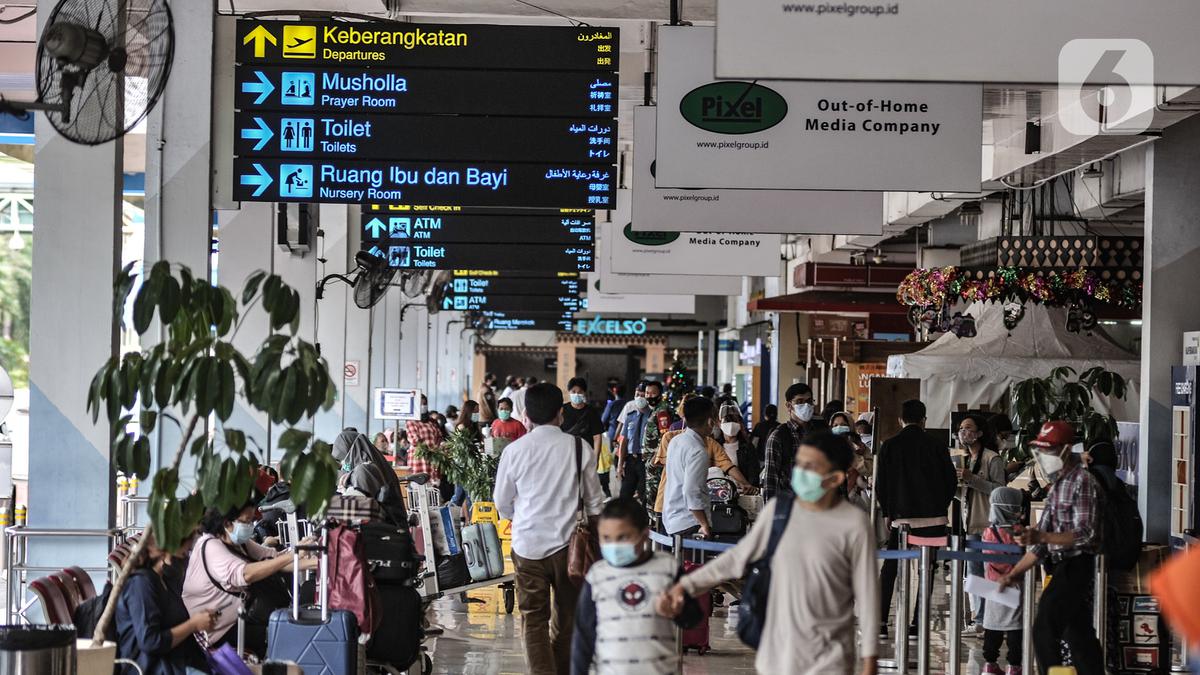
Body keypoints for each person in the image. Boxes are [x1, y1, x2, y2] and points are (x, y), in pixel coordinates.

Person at [659, 431, 879, 674]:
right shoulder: (779, 512)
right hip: (776, 657)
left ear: (835, 478)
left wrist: (870, 661)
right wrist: (684, 586)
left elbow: (868, 596)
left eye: (811, 467)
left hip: (829, 660)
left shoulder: (853, 524)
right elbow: (734, 559)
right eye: (799, 464)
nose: (801, 472)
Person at [493, 383, 605, 675]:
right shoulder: (580, 448)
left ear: (526, 414)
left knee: (533, 620)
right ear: (561, 414)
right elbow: (595, 502)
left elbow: (501, 502)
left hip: (527, 548)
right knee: (567, 620)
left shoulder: (514, 451)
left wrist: (520, 518)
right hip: (572, 549)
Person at [997, 421, 1104, 675]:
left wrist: (1042, 536)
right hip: (1058, 565)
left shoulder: (1082, 482)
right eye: (1041, 451)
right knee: (1079, 637)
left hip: (1077, 564)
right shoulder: (1057, 486)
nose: (1045, 457)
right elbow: (1039, 545)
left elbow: (1086, 533)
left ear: (1067, 450)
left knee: (1044, 628)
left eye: (1050, 450)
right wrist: (1014, 573)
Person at [570, 498, 700, 675]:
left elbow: (693, 618)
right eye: (606, 538)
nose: (614, 545)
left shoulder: (667, 567)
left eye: (623, 537)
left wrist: (679, 610)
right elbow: (583, 635)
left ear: (644, 535)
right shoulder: (597, 575)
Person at [183, 505, 317, 656]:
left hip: (242, 619)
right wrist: (293, 554)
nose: (250, 526)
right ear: (227, 523)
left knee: (287, 629)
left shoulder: (239, 542)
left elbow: (273, 559)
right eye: (246, 522)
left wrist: (319, 563)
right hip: (220, 633)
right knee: (287, 635)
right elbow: (245, 574)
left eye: (251, 521)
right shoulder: (210, 547)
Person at [874, 399, 957, 638]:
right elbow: (950, 480)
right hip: (933, 520)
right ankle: (916, 624)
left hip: (902, 521)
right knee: (927, 570)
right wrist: (940, 506)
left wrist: (888, 512)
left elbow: (882, 484)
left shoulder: (889, 446)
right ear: (924, 420)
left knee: (890, 568)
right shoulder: (937, 445)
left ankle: (880, 622)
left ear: (901, 419)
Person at [117, 530, 215, 674]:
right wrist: (193, 624)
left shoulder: (165, 580)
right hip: (154, 668)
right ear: (167, 550)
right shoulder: (141, 584)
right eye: (184, 553)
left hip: (176, 662)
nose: (186, 559)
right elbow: (150, 641)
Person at [957, 413, 1007, 632]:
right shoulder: (964, 458)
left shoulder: (992, 458)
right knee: (974, 573)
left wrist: (972, 479)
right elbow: (967, 493)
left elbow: (999, 490)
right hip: (969, 522)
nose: (963, 433)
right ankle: (979, 620)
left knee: (989, 573)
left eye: (968, 428)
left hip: (987, 523)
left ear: (979, 433)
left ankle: (990, 620)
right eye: (960, 429)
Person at [981, 487, 1025, 675]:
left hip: (992, 586)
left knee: (992, 625)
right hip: (1014, 584)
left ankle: (990, 664)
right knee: (1016, 626)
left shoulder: (988, 532)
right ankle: (1014, 665)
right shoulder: (1019, 532)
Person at [661, 397, 716, 538]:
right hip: (690, 524)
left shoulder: (676, 441)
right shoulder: (698, 451)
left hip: (672, 519)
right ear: (710, 421)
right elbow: (691, 491)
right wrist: (704, 524)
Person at [762, 382, 816, 501]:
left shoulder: (821, 433)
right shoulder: (779, 437)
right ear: (789, 406)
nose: (806, 405)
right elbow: (771, 480)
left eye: (809, 401)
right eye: (800, 401)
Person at [561, 377, 608, 497]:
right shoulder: (562, 410)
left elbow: (597, 437)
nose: (576, 394)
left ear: (584, 393)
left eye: (580, 392)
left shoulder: (591, 412)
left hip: (585, 456)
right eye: (573, 392)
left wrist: (595, 459)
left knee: (583, 487)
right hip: (565, 455)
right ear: (569, 392)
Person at [617, 382, 655, 504]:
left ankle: (643, 521)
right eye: (637, 394)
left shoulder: (653, 417)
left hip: (645, 460)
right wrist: (620, 464)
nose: (639, 397)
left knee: (644, 494)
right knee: (624, 494)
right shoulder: (630, 416)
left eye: (642, 395)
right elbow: (624, 441)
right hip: (630, 460)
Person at [718, 402, 761, 488]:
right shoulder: (716, 446)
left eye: (734, 420)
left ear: (740, 424)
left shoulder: (747, 448)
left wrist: (749, 488)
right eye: (727, 420)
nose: (731, 424)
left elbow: (754, 475)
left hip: (743, 493)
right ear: (719, 423)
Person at [405, 395, 445, 483]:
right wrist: (431, 449)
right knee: (420, 485)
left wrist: (441, 445)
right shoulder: (411, 421)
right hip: (420, 458)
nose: (423, 406)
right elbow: (415, 441)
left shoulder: (432, 421)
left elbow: (439, 436)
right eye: (421, 404)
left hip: (434, 458)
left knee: (433, 487)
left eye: (425, 403)